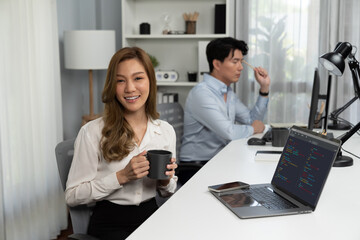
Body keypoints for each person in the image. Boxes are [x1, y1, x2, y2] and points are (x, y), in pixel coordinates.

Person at [65, 47, 178, 240]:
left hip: (152, 215)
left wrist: (166, 181)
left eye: (138, 78)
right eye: (120, 80)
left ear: (150, 81)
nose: (130, 88)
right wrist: (121, 176)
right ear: (112, 86)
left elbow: (168, 191)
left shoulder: (165, 131)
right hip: (109, 222)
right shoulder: (93, 132)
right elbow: (73, 196)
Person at [179, 37, 270, 178]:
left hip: (218, 160)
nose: (240, 67)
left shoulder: (228, 92)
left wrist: (264, 88)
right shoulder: (202, 94)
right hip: (196, 167)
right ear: (217, 64)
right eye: (235, 62)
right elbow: (230, 132)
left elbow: (252, 120)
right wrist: (254, 128)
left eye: (241, 61)